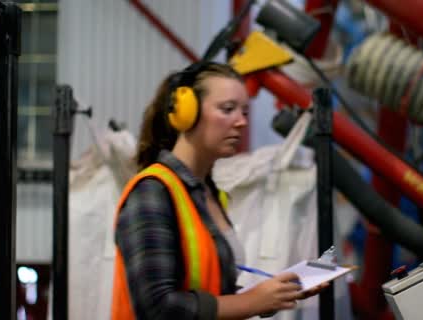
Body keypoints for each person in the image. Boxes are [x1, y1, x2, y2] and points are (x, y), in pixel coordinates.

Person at [111, 61, 326, 320]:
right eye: (228, 109)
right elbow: (158, 308)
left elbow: (207, 291)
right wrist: (251, 302)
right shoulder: (152, 193)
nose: (241, 122)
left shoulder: (206, 193)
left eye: (245, 111)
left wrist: (270, 295)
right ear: (186, 113)